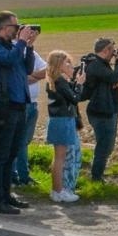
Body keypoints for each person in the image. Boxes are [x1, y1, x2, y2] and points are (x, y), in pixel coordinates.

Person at [0, 12, 37, 214]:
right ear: (4, 27)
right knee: (0, 154)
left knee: (11, 153)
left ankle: (6, 195)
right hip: (4, 106)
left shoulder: (13, 46)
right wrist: (21, 43)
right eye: (16, 26)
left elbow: (26, 67)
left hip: (19, 105)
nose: (19, 29)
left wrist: (28, 46)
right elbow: (9, 60)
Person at [80, 37, 118, 185]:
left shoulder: (102, 64)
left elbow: (114, 80)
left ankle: (98, 174)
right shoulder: (95, 65)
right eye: (113, 50)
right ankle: (96, 177)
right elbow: (113, 78)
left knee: (108, 145)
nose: (114, 53)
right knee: (104, 145)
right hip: (101, 111)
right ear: (105, 50)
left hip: (108, 109)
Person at [44, 50, 84, 202]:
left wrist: (75, 82)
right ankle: (58, 191)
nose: (70, 66)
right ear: (58, 64)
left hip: (60, 120)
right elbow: (74, 98)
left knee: (60, 157)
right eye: (67, 62)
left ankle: (59, 190)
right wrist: (79, 84)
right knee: (61, 158)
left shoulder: (57, 80)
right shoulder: (59, 81)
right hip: (62, 121)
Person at [12, 37, 48, 189]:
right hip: (21, 103)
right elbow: (18, 77)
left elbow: (46, 71)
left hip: (33, 102)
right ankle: (18, 176)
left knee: (25, 141)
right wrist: (32, 76)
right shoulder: (12, 50)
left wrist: (29, 76)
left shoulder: (30, 51)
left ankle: (21, 175)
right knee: (19, 141)